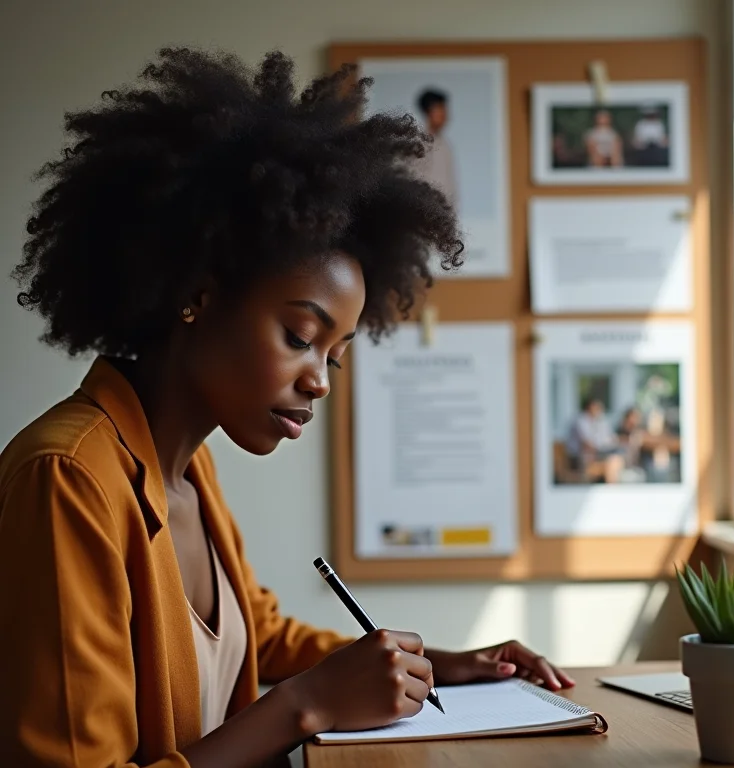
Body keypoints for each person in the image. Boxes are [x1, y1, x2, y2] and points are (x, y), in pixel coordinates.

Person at [0, 48, 573, 768]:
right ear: (198, 295)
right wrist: (307, 705)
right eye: (301, 337)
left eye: (334, 355)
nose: (321, 381)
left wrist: (434, 663)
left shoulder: (186, 468)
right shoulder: (70, 480)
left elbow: (260, 636)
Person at [412, 88, 459, 210]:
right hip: (424, 216)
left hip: (444, 217)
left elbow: (450, 186)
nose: (445, 116)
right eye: (440, 110)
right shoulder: (417, 143)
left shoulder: (445, 145)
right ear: (429, 112)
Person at [566, 398, 624, 483]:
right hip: (578, 459)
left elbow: (607, 439)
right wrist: (600, 450)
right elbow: (586, 444)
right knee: (612, 464)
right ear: (590, 407)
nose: (599, 411)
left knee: (615, 460)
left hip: (596, 455)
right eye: (597, 408)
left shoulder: (599, 421)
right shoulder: (581, 421)